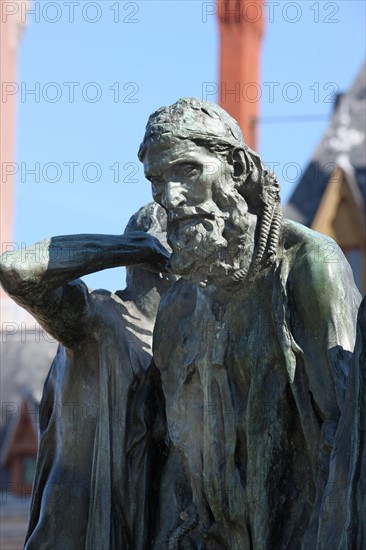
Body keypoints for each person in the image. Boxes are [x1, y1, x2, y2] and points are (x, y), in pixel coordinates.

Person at [138, 98, 362, 548]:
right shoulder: (180, 303)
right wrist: (131, 249)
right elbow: (175, 464)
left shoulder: (308, 267)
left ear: (237, 168)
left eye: (187, 171)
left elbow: (344, 441)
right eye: (157, 181)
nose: (170, 197)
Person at [0, 202, 173, 549]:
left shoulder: (192, 349)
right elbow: (16, 269)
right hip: (81, 535)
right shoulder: (96, 319)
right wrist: (137, 246)